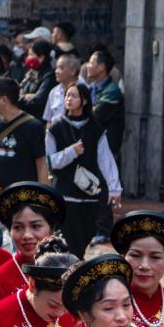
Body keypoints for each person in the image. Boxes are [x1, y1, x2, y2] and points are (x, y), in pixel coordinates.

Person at [46, 83, 122, 258]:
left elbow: (106, 160)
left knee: (85, 239)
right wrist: (70, 152)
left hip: (89, 195)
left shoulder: (96, 129)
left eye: (73, 96)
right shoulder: (56, 128)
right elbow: (49, 162)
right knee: (68, 243)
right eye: (67, 95)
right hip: (64, 195)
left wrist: (114, 187)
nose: (69, 99)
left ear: (84, 100)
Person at [0, 182, 66, 306]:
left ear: (52, 230)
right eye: (18, 227)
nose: (27, 235)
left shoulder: (68, 273)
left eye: (36, 226)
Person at [0, 77, 49, 186]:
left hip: (23, 195)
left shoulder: (33, 127)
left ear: (3, 100)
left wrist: (44, 195)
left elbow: (41, 163)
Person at [42, 53, 81, 125]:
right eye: (56, 68)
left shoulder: (84, 90)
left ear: (73, 71)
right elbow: (49, 121)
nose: (56, 71)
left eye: (61, 68)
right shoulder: (53, 92)